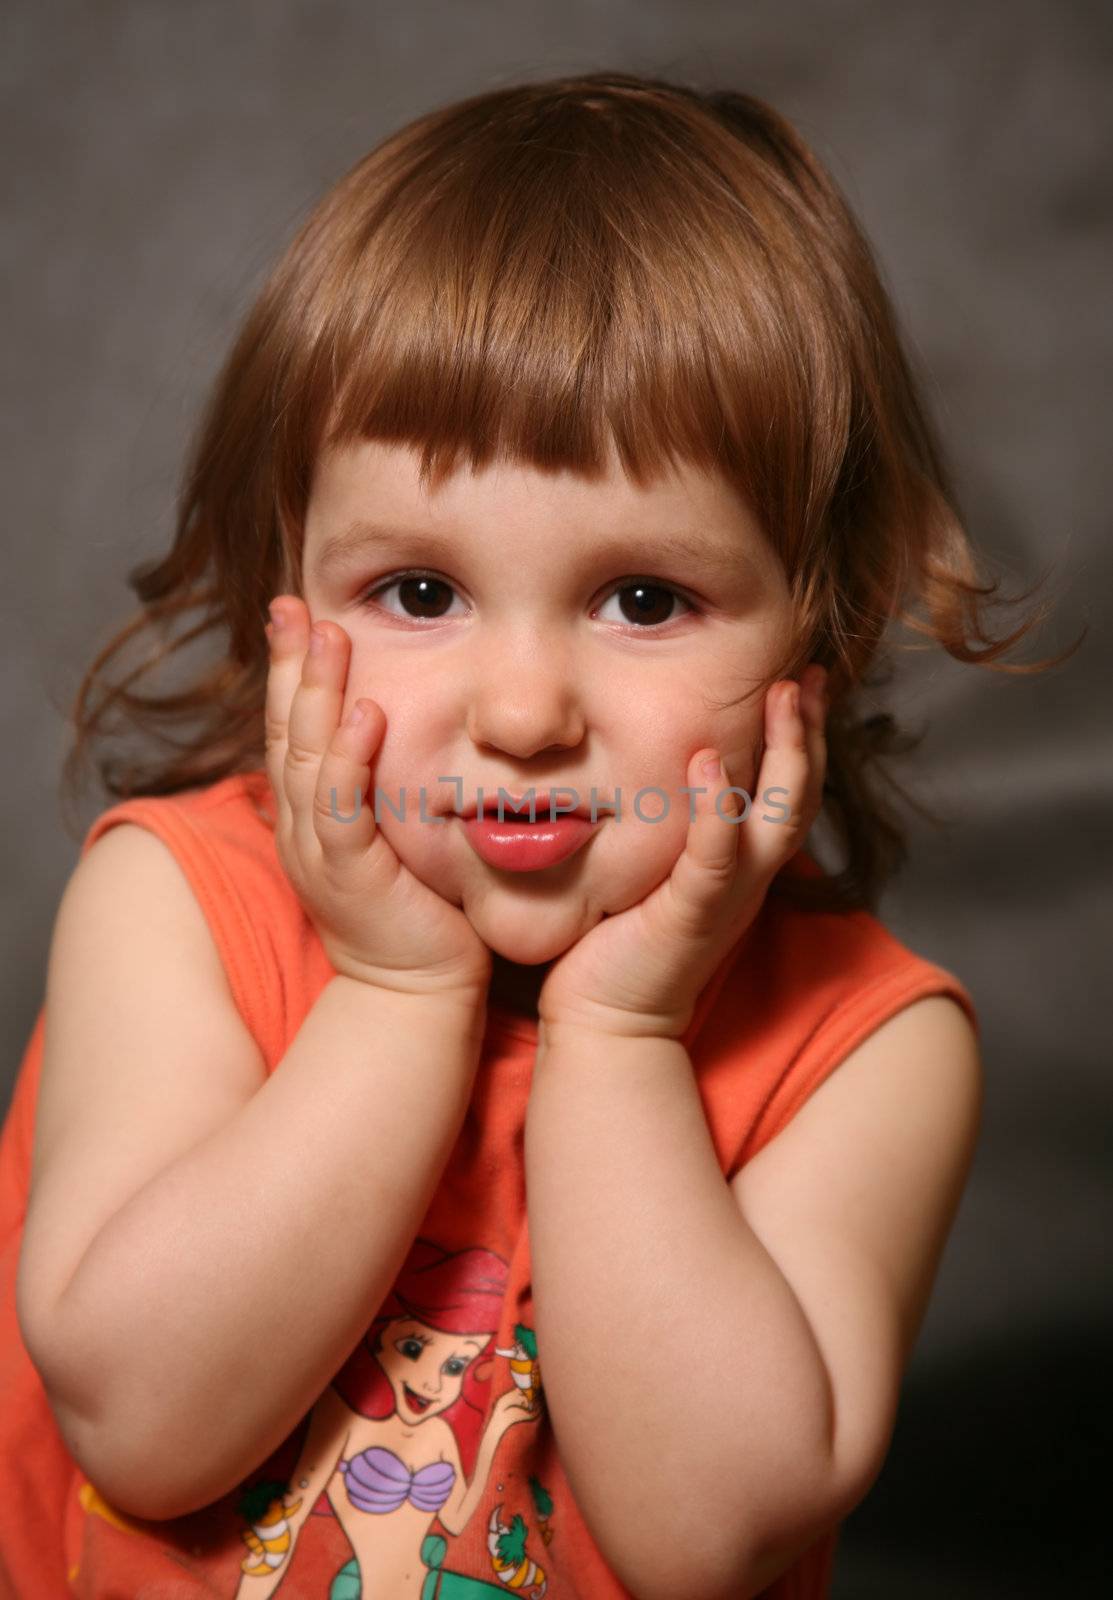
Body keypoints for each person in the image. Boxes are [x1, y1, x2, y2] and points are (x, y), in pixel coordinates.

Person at [0, 70, 1079, 1600]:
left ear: (812, 640)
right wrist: (395, 995)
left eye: (644, 599)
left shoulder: (870, 1047)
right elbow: (145, 1422)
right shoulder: (175, 903)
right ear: (282, 603)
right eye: (419, 593)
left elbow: (700, 1537)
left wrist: (625, 1037)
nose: (519, 714)